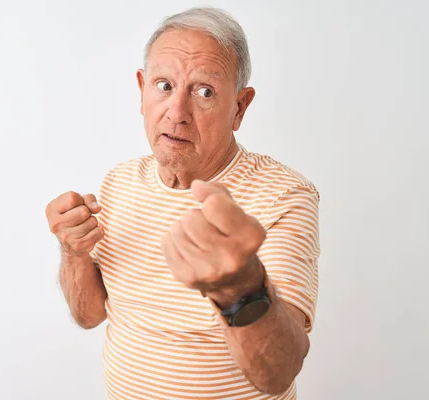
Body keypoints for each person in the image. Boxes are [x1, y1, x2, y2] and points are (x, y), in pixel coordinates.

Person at [45, 7, 320, 400]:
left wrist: (239, 286)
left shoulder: (284, 195)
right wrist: (73, 252)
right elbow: (89, 316)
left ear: (239, 108)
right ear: (141, 90)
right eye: (163, 85)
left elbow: (278, 372)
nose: (177, 113)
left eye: (204, 91)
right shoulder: (119, 182)